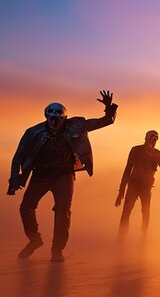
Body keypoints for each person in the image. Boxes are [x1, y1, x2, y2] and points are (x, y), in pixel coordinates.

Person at [9, 91, 118, 262]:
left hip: (64, 174)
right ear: (46, 116)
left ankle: (57, 250)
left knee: (62, 211)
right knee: (26, 208)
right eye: (50, 114)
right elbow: (19, 156)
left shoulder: (77, 124)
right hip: (41, 174)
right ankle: (35, 240)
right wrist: (14, 179)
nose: (54, 117)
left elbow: (106, 121)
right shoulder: (33, 132)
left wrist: (109, 108)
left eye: (58, 114)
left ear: (64, 117)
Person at [116, 130, 160, 240]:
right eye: (151, 137)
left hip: (146, 187)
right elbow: (128, 169)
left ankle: (144, 235)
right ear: (146, 138)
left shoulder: (157, 154)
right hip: (133, 185)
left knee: (146, 211)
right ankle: (121, 236)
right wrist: (121, 191)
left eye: (156, 138)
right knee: (127, 211)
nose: (153, 140)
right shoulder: (136, 150)